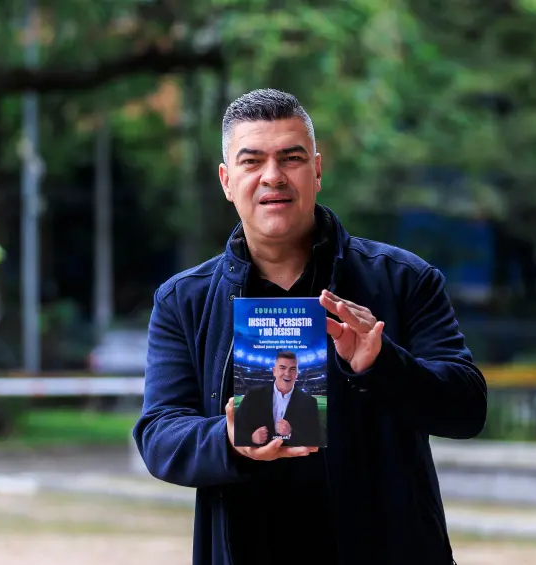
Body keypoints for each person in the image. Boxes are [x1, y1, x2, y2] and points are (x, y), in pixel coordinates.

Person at [133, 88, 488, 565]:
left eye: (291, 158)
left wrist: (383, 365)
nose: (273, 176)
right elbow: (159, 434)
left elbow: (468, 408)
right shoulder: (184, 301)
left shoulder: (402, 280)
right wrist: (228, 439)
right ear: (226, 179)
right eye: (252, 161)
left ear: (317, 169)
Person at [234, 349, 323, 447]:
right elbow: (235, 430)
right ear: (274, 371)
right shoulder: (254, 395)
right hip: (257, 461)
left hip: (295, 461)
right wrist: (251, 438)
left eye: (292, 369)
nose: (287, 373)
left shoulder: (309, 402)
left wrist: (291, 433)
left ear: (296, 374)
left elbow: (316, 439)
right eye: (282, 368)